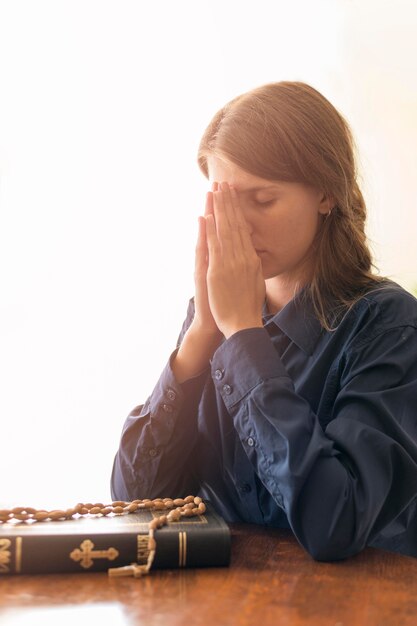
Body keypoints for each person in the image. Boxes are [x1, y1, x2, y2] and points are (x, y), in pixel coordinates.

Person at [110, 81, 417, 561]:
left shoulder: (388, 325)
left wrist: (244, 339)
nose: (241, 226)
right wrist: (200, 340)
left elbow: (337, 522)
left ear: (325, 193)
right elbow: (134, 502)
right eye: (226, 203)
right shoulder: (213, 318)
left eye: (263, 199)